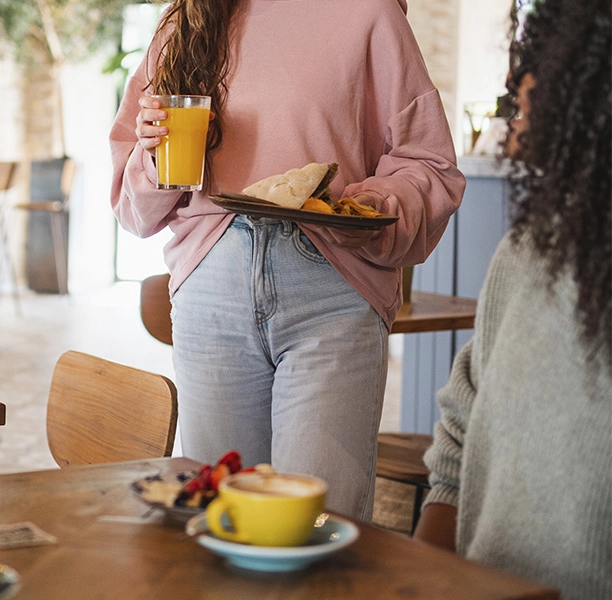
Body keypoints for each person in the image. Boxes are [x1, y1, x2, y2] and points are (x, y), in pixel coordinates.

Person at [110, 0, 464, 519]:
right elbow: (133, 211)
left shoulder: (370, 14)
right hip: (211, 291)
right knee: (219, 520)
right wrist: (152, 153)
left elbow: (429, 165)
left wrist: (368, 207)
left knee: (321, 525)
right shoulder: (182, 19)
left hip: (332, 295)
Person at [414, 0, 611, 598]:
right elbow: (462, 424)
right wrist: (426, 577)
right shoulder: (528, 247)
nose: (513, 81)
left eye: (532, 59)